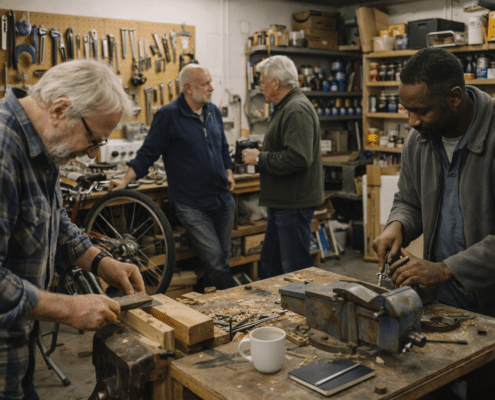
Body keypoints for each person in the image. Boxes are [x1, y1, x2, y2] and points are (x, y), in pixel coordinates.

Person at [0, 59, 146, 400]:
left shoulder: (44, 140)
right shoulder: (4, 151)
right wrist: (70, 309)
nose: (94, 156)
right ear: (60, 110)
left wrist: (102, 263)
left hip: (20, 348)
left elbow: (54, 223)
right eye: (94, 139)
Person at [373, 47, 495, 399]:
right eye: (406, 110)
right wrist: (395, 226)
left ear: (454, 97)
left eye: (421, 110)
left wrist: (444, 269)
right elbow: (409, 200)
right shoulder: (419, 140)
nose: (411, 121)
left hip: (490, 305)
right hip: (439, 303)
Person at [109, 64, 237, 290]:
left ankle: (211, 311)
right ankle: (236, 307)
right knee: (216, 262)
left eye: (210, 82)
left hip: (223, 199)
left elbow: (223, 147)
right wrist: (125, 181)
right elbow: (148, 153)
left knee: (220, 262)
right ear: (188, 88)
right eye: (205, 84)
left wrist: (229, 171)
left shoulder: (213, 111)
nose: (211, 88)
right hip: (192, 204)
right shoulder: (168, 116)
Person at [242, 55, 324, 279]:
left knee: (294, 268)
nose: (261, 87)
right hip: (284, 203)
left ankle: (302, 312)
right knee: (271, 265)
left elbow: (298, 157)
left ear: (276, 83)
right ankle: (275, 311)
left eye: (263, 81)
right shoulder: (285, 107)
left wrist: (259, 158)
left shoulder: (295, 109)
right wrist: (264, 148)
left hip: (293, 204)